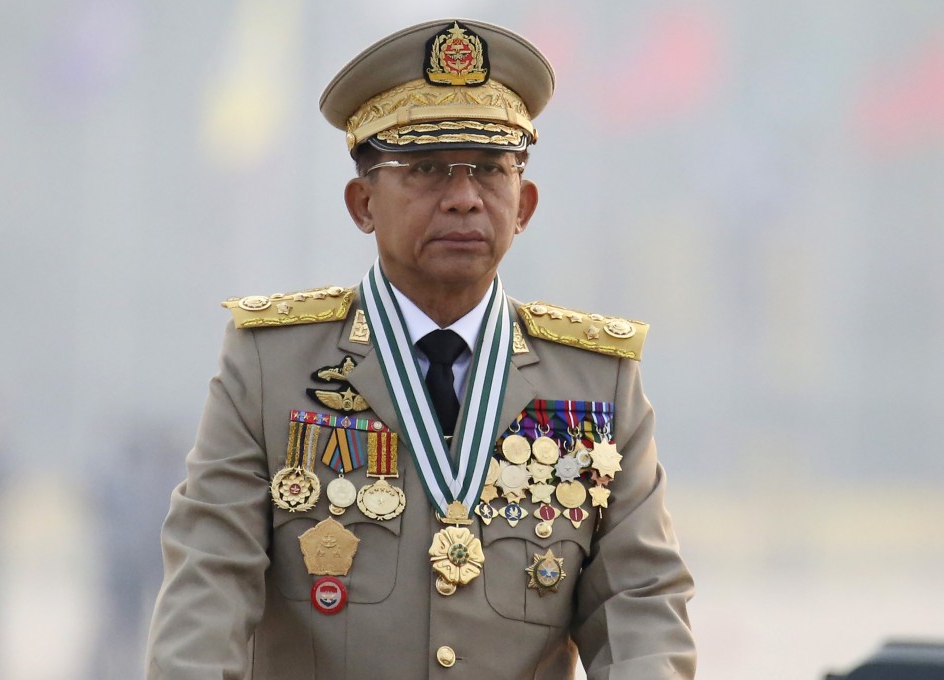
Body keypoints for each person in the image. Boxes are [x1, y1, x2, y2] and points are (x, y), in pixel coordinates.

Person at [146, 18, 696, 680]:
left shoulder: (595, 381)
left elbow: (640, 603)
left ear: (524, 204)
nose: (463, 199)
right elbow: (208, 587)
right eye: (427, 169)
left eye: (489, 170)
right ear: (362, 203)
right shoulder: (271, 366)